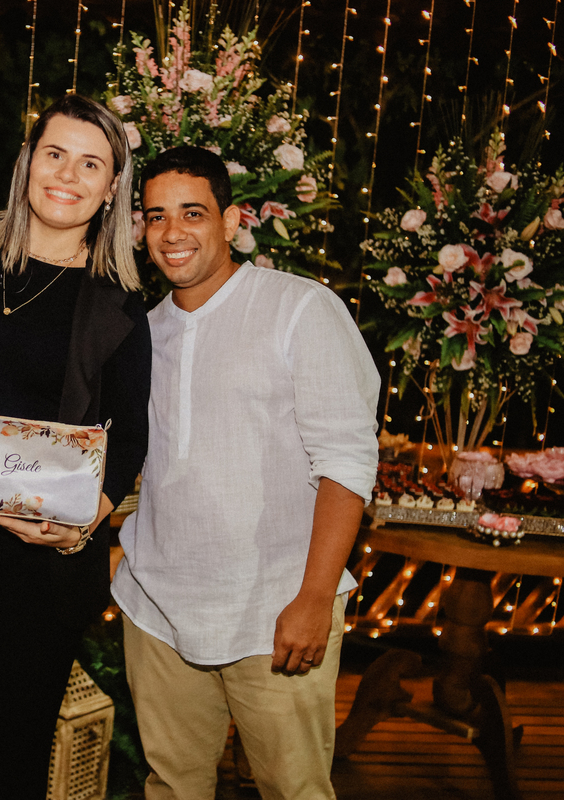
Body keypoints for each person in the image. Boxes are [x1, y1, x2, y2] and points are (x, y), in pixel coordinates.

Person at [112, 145, 379, 800]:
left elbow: (347, 460)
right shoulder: (141, 332)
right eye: (156, 216)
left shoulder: (299, 309)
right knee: (171, 787)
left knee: (295, 791)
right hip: (157, 610)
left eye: (192, 213)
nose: (172, 232)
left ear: (231, 221)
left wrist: (314, 599)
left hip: (275, 608)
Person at [0, 94, 152, 800]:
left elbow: (130, 437)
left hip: (40, 568)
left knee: (11, 761)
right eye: (55, 154)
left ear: (112, 187)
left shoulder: (117, 300)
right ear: (27, 162)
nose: (68, 175)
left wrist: (80, 529)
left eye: (90, 164)